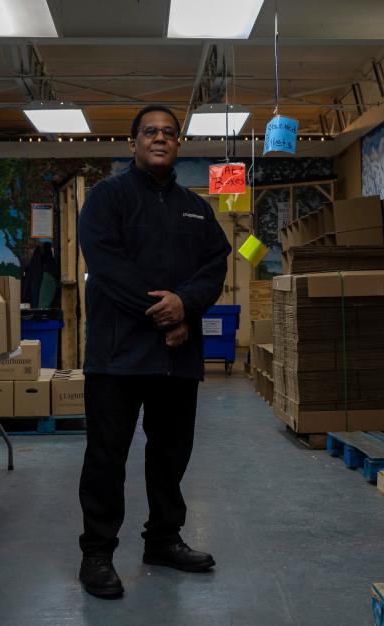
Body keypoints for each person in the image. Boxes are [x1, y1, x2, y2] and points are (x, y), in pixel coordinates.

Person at [76, 105, 231, 599]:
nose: (160, 139)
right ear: (133, 142)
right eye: (150, 132)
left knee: (170, 455)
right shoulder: (107, 198)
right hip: (117, 356)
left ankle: (163, 539)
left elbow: (215, 263)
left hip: (177, 359)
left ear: (178, 143)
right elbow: (108, 266)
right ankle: (97, 553)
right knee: (107, 457)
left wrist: (185, 304)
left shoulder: (196, 206)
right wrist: (166, 314)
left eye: (169, 133)